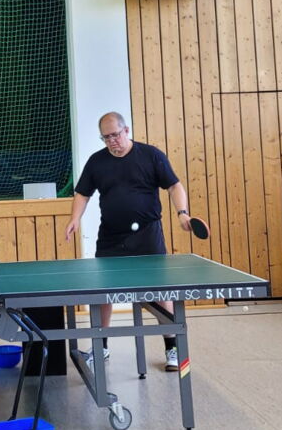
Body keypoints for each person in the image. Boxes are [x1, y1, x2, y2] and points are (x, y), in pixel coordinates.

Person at [64, 112, 197, 372]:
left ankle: (172, 348)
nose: (112, 141)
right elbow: (82, 193)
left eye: (115, 135)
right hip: (111, 236)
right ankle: (101, 347)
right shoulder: (97, 161)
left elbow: (174, 186)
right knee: (103, 293)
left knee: (160, 292)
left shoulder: (151, 155)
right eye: (106, 137)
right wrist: (74, 219)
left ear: (126, 130)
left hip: (147, 235)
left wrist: (182, 213)